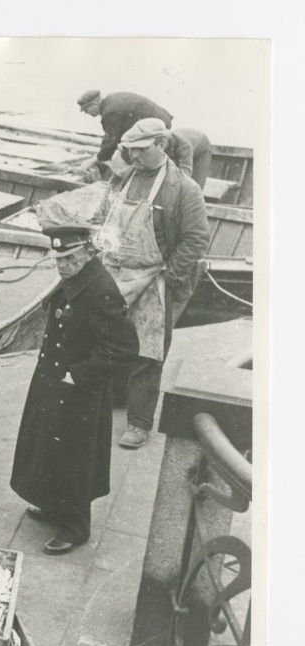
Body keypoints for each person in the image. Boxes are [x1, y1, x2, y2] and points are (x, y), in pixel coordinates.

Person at [10, 226, 139, 555]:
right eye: (58, 259)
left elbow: (123, 348)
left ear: (88, 252)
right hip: (55, 380)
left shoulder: (101, 290)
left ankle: (76, 527)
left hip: (78, 388)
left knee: (74, 458)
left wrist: (79, 375)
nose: (62, 265)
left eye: (69, 258)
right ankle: (54, 506)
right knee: (50, 448)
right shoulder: (77, 279)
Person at [99, 118, 210, 450]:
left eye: (141, 150)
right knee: (110, 340)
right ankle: (115, 399)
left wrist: (169, 278)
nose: (133, 157)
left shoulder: (183, 189)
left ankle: (139, 422)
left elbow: (196, 240)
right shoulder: (122, 177)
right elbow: (102, 217)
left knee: (148, 352)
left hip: (156, 279)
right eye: (129, 150)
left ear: (161, 146)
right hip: (116, 273)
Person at [73, 89, 174, 178]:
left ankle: (132, 181)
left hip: (156, 128)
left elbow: (109, 144)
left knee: (127, 158)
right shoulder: (111, 99)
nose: (86, 113)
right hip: (162, 120)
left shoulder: (110, 112)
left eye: (86, 109)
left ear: (94, 104)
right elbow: (117, 133)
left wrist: (91, 161)